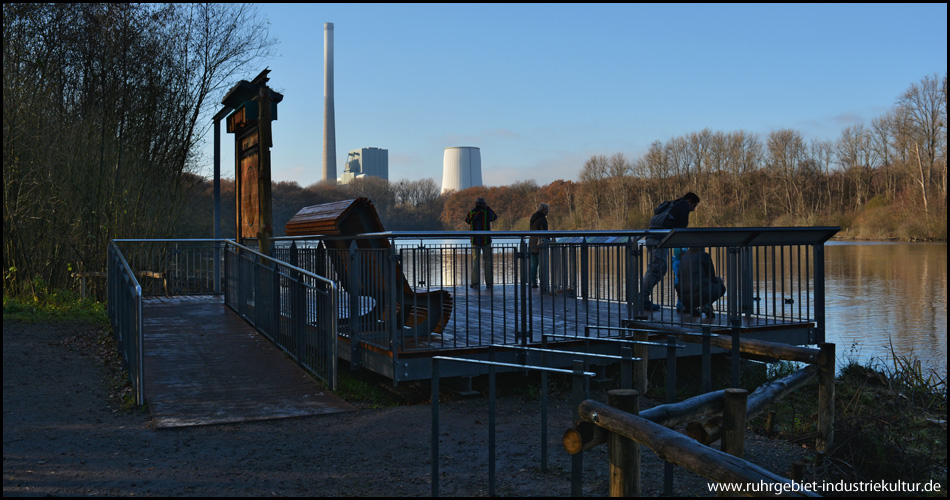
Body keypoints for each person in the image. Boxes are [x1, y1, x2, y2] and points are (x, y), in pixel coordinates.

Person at [640, 192, 700, 311]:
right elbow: (682, 228)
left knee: (658, 269)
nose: (693, 209)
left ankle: (642, 298)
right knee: (656, 270)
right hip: (659, 240)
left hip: (654, 238)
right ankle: (642, 299)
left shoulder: (671, 205)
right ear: (689, 201)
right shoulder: (683, 205)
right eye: (694, 205)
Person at [678, 246, 726, 317]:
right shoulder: (704, 256)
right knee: (721, 288)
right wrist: (720, 280)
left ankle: (692, 307)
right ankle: (706, 304)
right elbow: (711, 277)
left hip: (683, 297)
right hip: (701, 294)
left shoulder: (684, 258)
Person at [465, 197, 498, 289]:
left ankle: (475, 282)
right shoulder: (486, 213)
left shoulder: (471, 213)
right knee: (487, 260)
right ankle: (489, 282)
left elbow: (467, 220)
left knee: (475, 261)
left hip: (475, 240)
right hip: (486, 240)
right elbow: (494, 217)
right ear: (484, 204)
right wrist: (488, 208)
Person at [528, 203, 550, 289]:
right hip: (540, 243)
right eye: (547, 210)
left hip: (532, 243)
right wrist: (548, 239)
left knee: (534, 264)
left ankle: (533, 282)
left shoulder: (533, 218)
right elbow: (544, 232)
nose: (548, 212)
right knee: (542, 264)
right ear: (543, 210)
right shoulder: (542, 219)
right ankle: (543, 282)